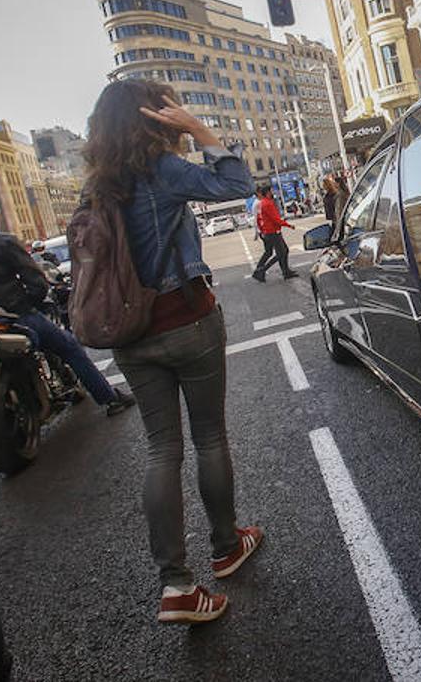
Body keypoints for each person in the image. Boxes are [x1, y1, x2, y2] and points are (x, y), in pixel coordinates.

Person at [83, 79, 261, 625]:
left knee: (162, 452)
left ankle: (177, 586)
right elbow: (236, 183)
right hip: (186, 319)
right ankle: (227, 546)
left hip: (130, 335)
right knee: (209, 436)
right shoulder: (159, 169)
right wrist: (199, 129)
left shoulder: (97, 188)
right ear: (154, 120)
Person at [0, 193, 134, 418]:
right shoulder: (3, 242)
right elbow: (36, 282)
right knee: (70, 347)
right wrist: (27, 303)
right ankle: (109, 399)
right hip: (12, 317)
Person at [251, 184, 297, 282]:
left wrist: (261, 231)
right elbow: (276, 219)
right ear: (267, 193)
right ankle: (261, 271)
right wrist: (288, 225)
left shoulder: (263, 203)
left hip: (269, 231)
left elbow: (260, 219)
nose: (273, 193)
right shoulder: (267, 203)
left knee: (282, 251)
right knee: (281, 253)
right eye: (271, 191)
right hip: (273, 232)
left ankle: (285, 271)